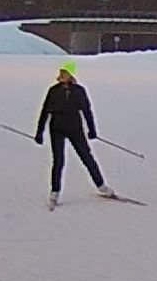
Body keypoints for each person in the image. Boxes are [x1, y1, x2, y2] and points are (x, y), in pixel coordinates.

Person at [33, 62, 115, 205]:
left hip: (74, 127)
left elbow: (87, 111)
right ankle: (55, 192)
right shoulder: (53, 90)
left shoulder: (79, 91)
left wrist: (92, 129)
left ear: (71, 74)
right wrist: (39, 132)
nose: (61, 75)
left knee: (86, 157)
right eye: (61, 72)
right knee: (58, 161)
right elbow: (45, 111)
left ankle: (101, 186)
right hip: (57, 127)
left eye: (64, 73)